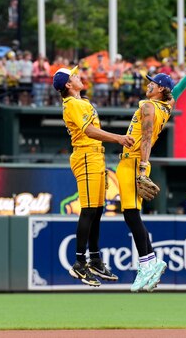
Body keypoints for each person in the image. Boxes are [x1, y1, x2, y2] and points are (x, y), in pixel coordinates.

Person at [116, 54, 186, 292]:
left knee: (131, 216)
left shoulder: (148, 107)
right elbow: (179, 88)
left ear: (159, 90)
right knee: (133, 216)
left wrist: (143, 167)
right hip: (135, 162)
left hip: (132, 162)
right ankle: (151, 262)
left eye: (152, 83)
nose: (148, 85)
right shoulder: (167, 104)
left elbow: (146, 138)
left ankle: (148, 264)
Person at [53, 66, 135, 287]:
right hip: (86, 155)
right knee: (88, 210)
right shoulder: (72, 104)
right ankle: (80, 263)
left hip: (96, 157)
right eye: (74, 76)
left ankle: (95, 260)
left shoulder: (83, 102)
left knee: (97, 210)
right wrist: (118, 138)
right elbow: (89, 131)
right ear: (68, 85)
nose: (79, 76)